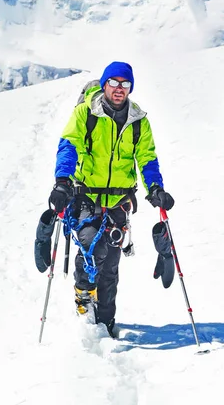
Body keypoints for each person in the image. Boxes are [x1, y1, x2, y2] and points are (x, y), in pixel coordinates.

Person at [49, 61, 174, 337]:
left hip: (118, 202)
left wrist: (155, 188)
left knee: (111, 266)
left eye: (125, 84)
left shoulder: (139, 121)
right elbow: (69, 145)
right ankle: (83, 297)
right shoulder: (86, 114)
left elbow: (147, 158)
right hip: (85, 198)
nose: (119, 89)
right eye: (114, 83)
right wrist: (62, 182)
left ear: (130, 88)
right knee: (93, 249)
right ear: (105, 84)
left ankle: (106, 321)